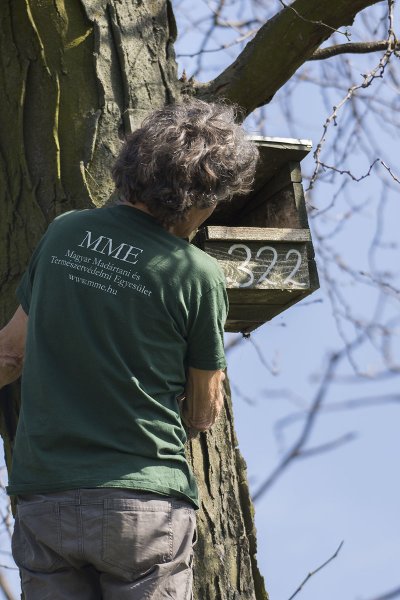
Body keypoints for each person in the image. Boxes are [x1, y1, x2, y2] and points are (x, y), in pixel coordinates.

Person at [0, 99, 259, 599]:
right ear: (195, 199)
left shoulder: (65, 233)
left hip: (46, 498)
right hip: (142, 503)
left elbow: (9, 356)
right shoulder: (197, 274)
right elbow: (204, 410)